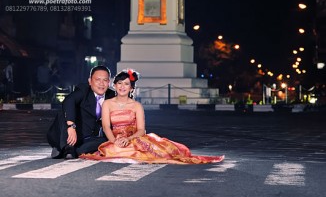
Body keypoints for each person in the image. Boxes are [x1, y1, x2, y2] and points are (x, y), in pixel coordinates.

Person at [79, 69, 225, 164]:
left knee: (160, 154)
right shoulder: (108, 104)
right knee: (112, 151)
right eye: (119, 83)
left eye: (126, 84)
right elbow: (105, 126)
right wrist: (115, 141)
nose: (122, 87)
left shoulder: (137, 106)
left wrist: (128, 139)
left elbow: (141, 130)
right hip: (115, 139)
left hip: (134, 138)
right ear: (114, 86)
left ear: (131, 88)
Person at [47, 65, 115, 159]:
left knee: (106, 141)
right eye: (98, 79)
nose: (101, 83)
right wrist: (71, 126)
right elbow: (69, 100)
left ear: (109, 82)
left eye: (105, 80)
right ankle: (67, 147)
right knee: (64, 113)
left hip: (89, 138)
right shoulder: (83, 90)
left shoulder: (112, 96)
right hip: (69, 133)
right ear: (90, 81)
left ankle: (68, 151)